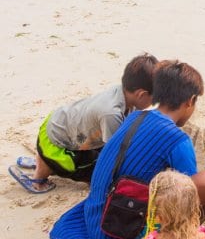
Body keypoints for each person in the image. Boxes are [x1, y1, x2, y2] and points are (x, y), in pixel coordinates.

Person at [50, 60, 205, 239]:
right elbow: (187, 194)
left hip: (97, 212)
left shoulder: (134, 117)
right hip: (119, 226)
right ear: (190, 102)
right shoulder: (177, 139)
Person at [8, 53, 159, 194]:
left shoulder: (121, 92)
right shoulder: (111, 114)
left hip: (55, 123)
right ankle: (40, 176)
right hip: (55, 147)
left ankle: (44, 162)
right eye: (154, 99)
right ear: (141, 94)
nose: (153, 103)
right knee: (96, 172)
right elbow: (113, 154)